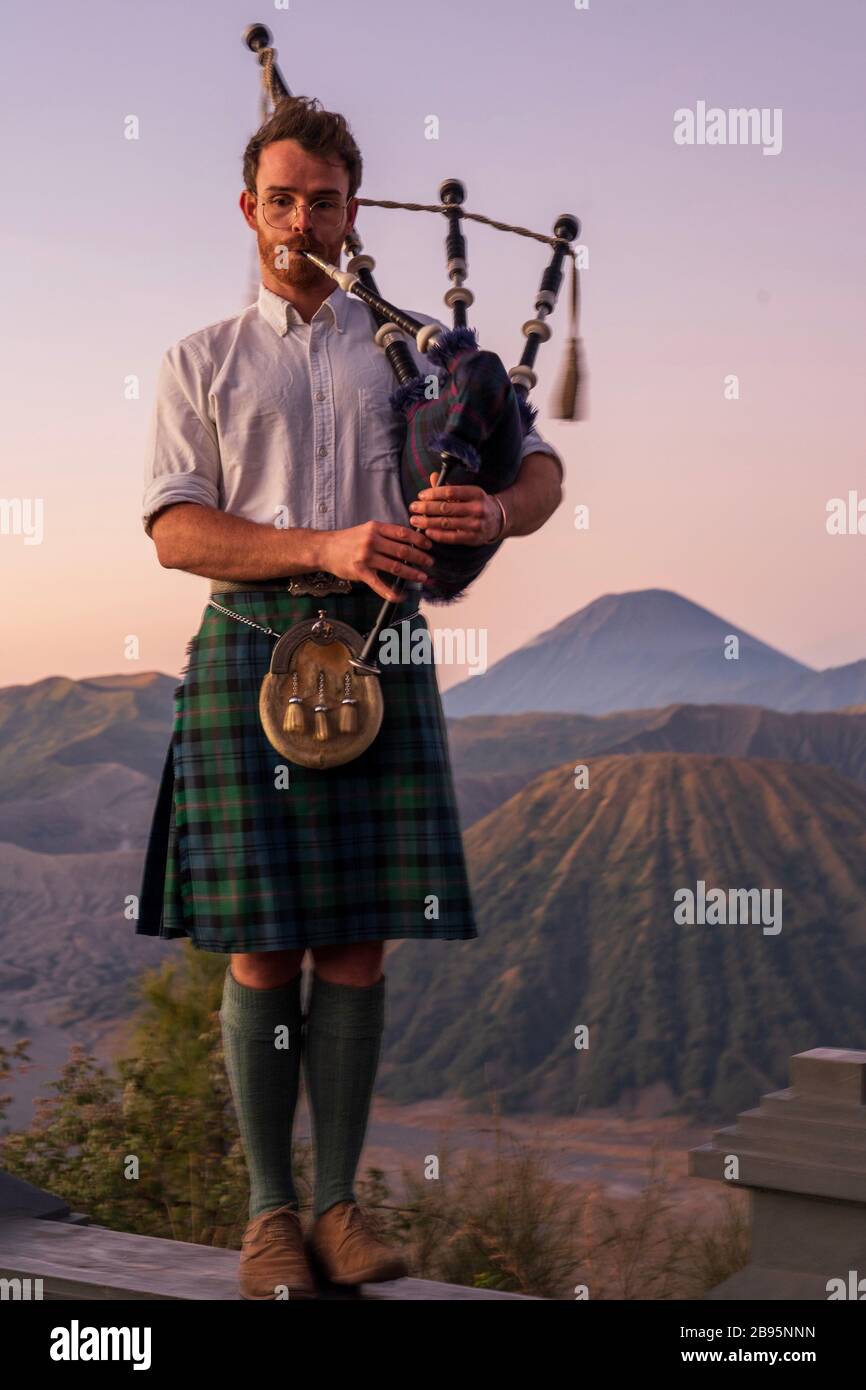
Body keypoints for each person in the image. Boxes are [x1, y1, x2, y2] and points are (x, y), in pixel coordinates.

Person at [136, 96, 565, 1299]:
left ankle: (336, 1209)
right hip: (249, 646)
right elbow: (175, 531)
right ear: (248, 209)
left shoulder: (419, 351)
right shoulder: (199, 360)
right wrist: (322, 545)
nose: (301, 221)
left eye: (322, 202)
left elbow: (538, 467)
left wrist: (493, 509)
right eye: (280, 200)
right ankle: (269, 1216)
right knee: (264, 945)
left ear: (351, 212)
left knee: (357, 942)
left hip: (378, 650)